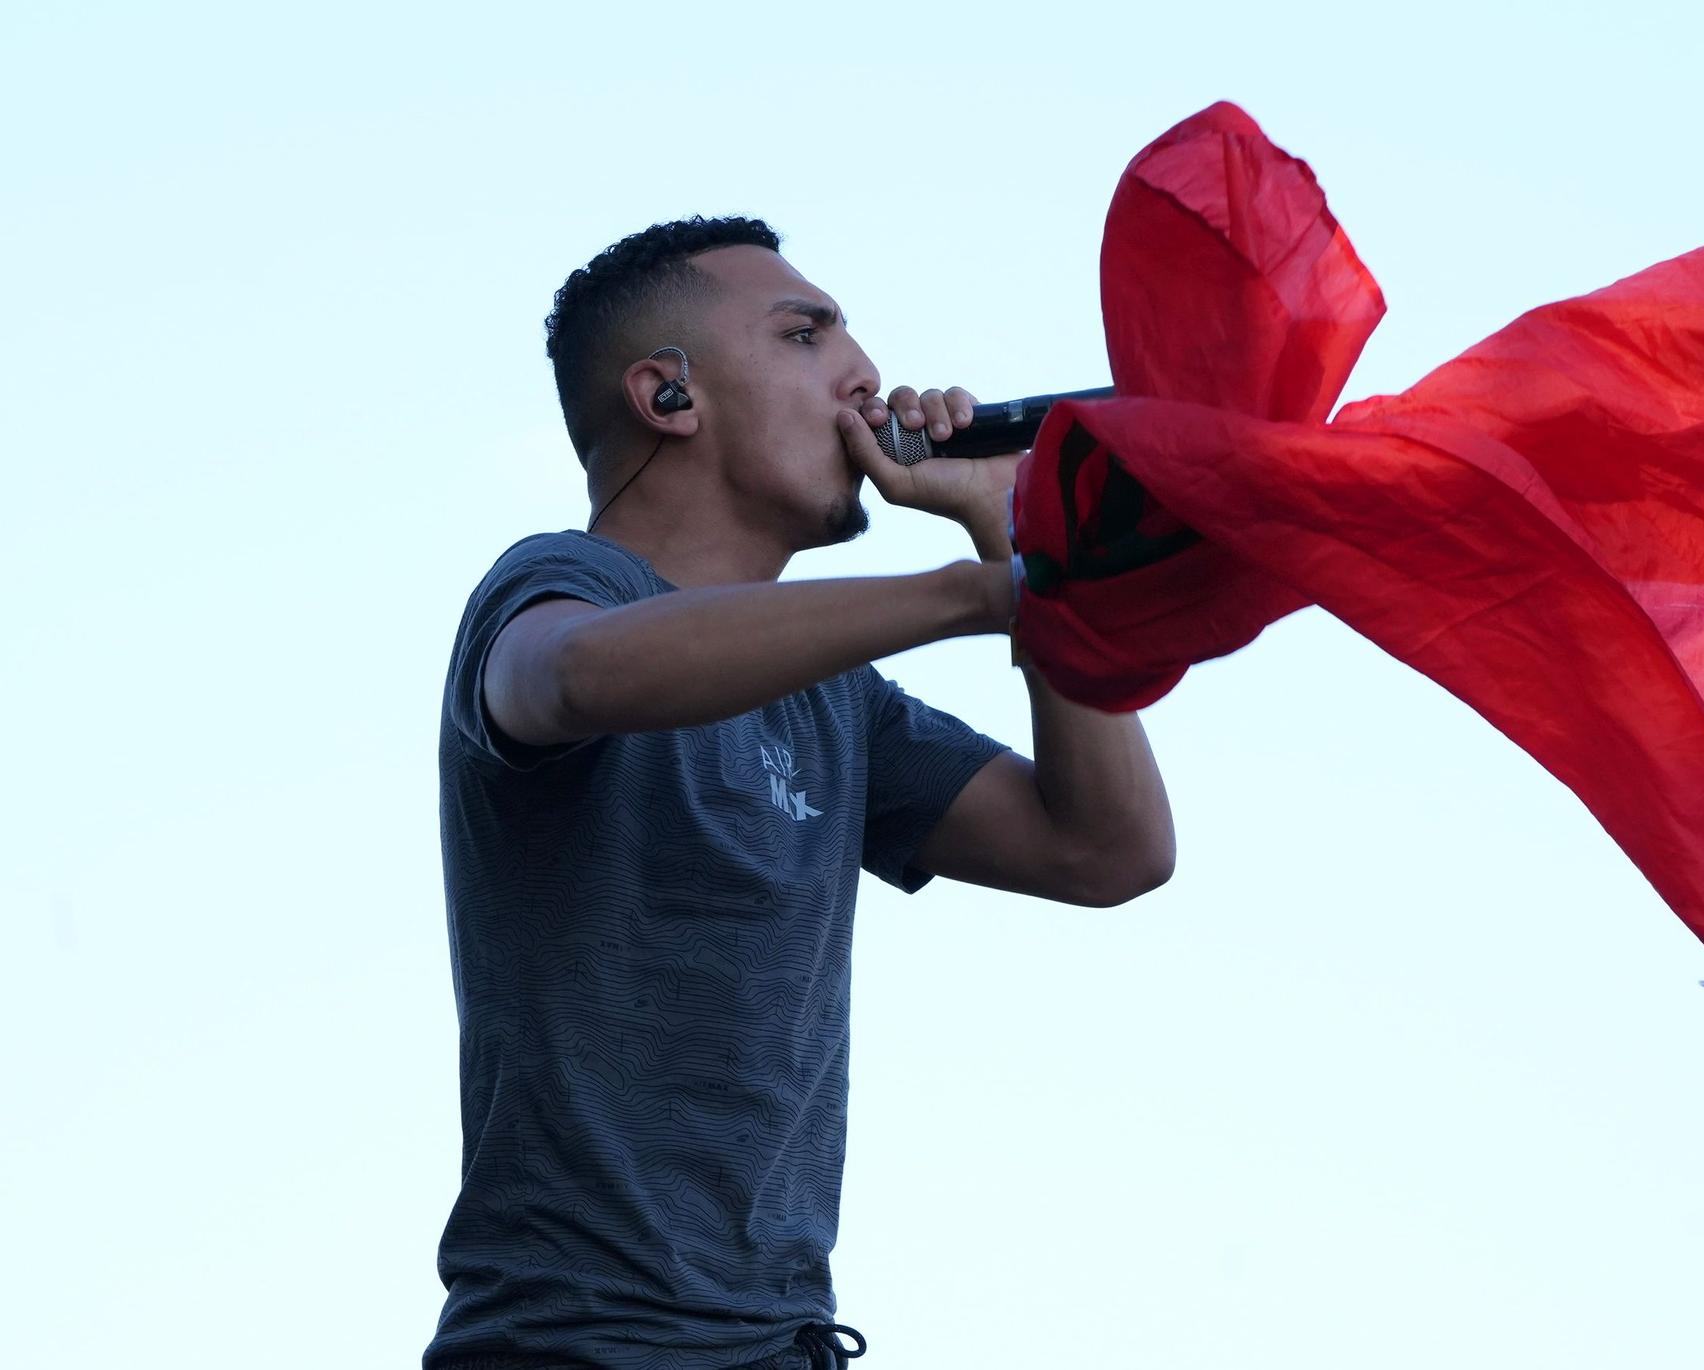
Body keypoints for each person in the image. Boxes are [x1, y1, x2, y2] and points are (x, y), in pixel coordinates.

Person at [427, 215, 1176, 1370]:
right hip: (574, 1346)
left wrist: (1015, 530)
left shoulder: (839, 700)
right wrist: (973, 595)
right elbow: (572, 675)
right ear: (666, 395)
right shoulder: (557, 584)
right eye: (804, 332)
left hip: (778, 1344)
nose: (864, 374)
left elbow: (1108, 848)